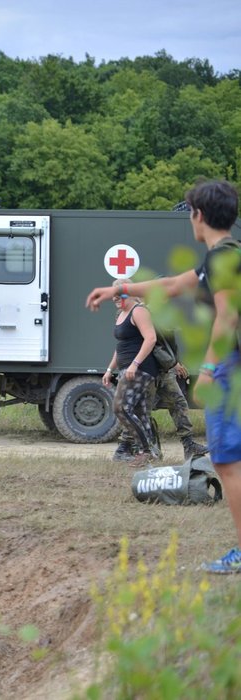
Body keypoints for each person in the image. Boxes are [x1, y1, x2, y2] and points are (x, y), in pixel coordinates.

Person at [86, 179, 241, 575]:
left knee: (227, 461)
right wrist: (118, 287)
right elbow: (171, 285)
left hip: (231, 367)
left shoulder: (224, 258)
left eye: (190, 212)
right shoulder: (223, 255)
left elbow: (227, 316)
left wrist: (208, 369)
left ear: (198, 215)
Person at [112, 331, 208, 462]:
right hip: (148, 367)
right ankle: (125, 447)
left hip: (164, 369)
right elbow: (153, 342)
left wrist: (174, 362)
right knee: (140, 411)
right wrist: (173, 363)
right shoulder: (143, 313)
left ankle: (189, 444)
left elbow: (166, 344)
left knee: (178, 403)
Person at [101, 287, 160, 468]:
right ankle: (151, 453)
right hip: (127, 367)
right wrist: (110, 369)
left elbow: (151, 338)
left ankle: (144, 451)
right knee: (141, 413)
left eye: (120, 295)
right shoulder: (121, 314)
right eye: (114, 295)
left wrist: (134, 364)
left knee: (121, 408)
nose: (115, 298)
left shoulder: (139, 311)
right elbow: (121, 346)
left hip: (141, 368)